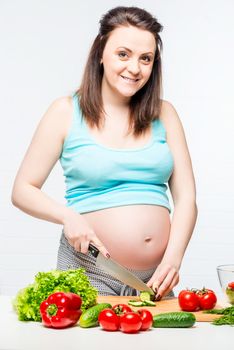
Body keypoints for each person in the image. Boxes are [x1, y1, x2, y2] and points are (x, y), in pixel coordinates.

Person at [11, 6, 197, 299]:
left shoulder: (166, 114)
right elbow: (22, 190)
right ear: (100, 52)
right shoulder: (64, 111)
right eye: (123, 54)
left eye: (145, 59)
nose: (134, 68)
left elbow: (187, 198)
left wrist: (173, 259)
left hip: (155, 279)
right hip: (90, 270)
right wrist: (67, 216)